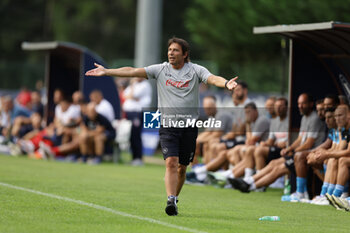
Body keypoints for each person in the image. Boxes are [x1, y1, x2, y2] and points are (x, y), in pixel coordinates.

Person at [85, 37, 238, 216]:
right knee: (171, 163)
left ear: (185, 54)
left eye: (175, 50)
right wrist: (107, 71)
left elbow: (212, 79)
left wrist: (226, 83)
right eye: (169, 50)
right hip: (168, 125)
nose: (171, 53)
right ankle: (170, 199)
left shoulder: (196, 70)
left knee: (182, 167)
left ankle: (175, 197)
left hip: (188, 126)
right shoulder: (160, 69)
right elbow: (132, 71)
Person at [123, 77, 152, 166]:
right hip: (130, 113)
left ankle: (138, 158)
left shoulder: (145, 85)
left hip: (138, 113)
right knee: (131, 135)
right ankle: (134, 158)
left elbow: (132, 95)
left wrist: (131, 86)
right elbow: (124, 95)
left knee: (136, 135)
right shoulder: (135, 84)